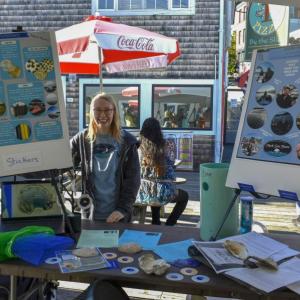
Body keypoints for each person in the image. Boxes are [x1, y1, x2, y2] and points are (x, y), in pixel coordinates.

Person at [70, 93, 140, 223]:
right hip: (90, 215)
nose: (102, 115)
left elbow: (133, 180)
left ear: (114, 112)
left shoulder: (127, 141)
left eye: (107, 110)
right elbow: (61, 165)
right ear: (91, 112)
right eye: (98, 110)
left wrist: (122, 209)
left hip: (117, 217)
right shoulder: (81, 139)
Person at [137, 117, 188, 225]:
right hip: (162, 193)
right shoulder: (164, 146)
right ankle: (169, 223)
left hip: (140, 192)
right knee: (184, 196)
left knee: (154, 186)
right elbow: (169, 171)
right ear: (158, 130)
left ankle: (156, 221)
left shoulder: (137, 146)